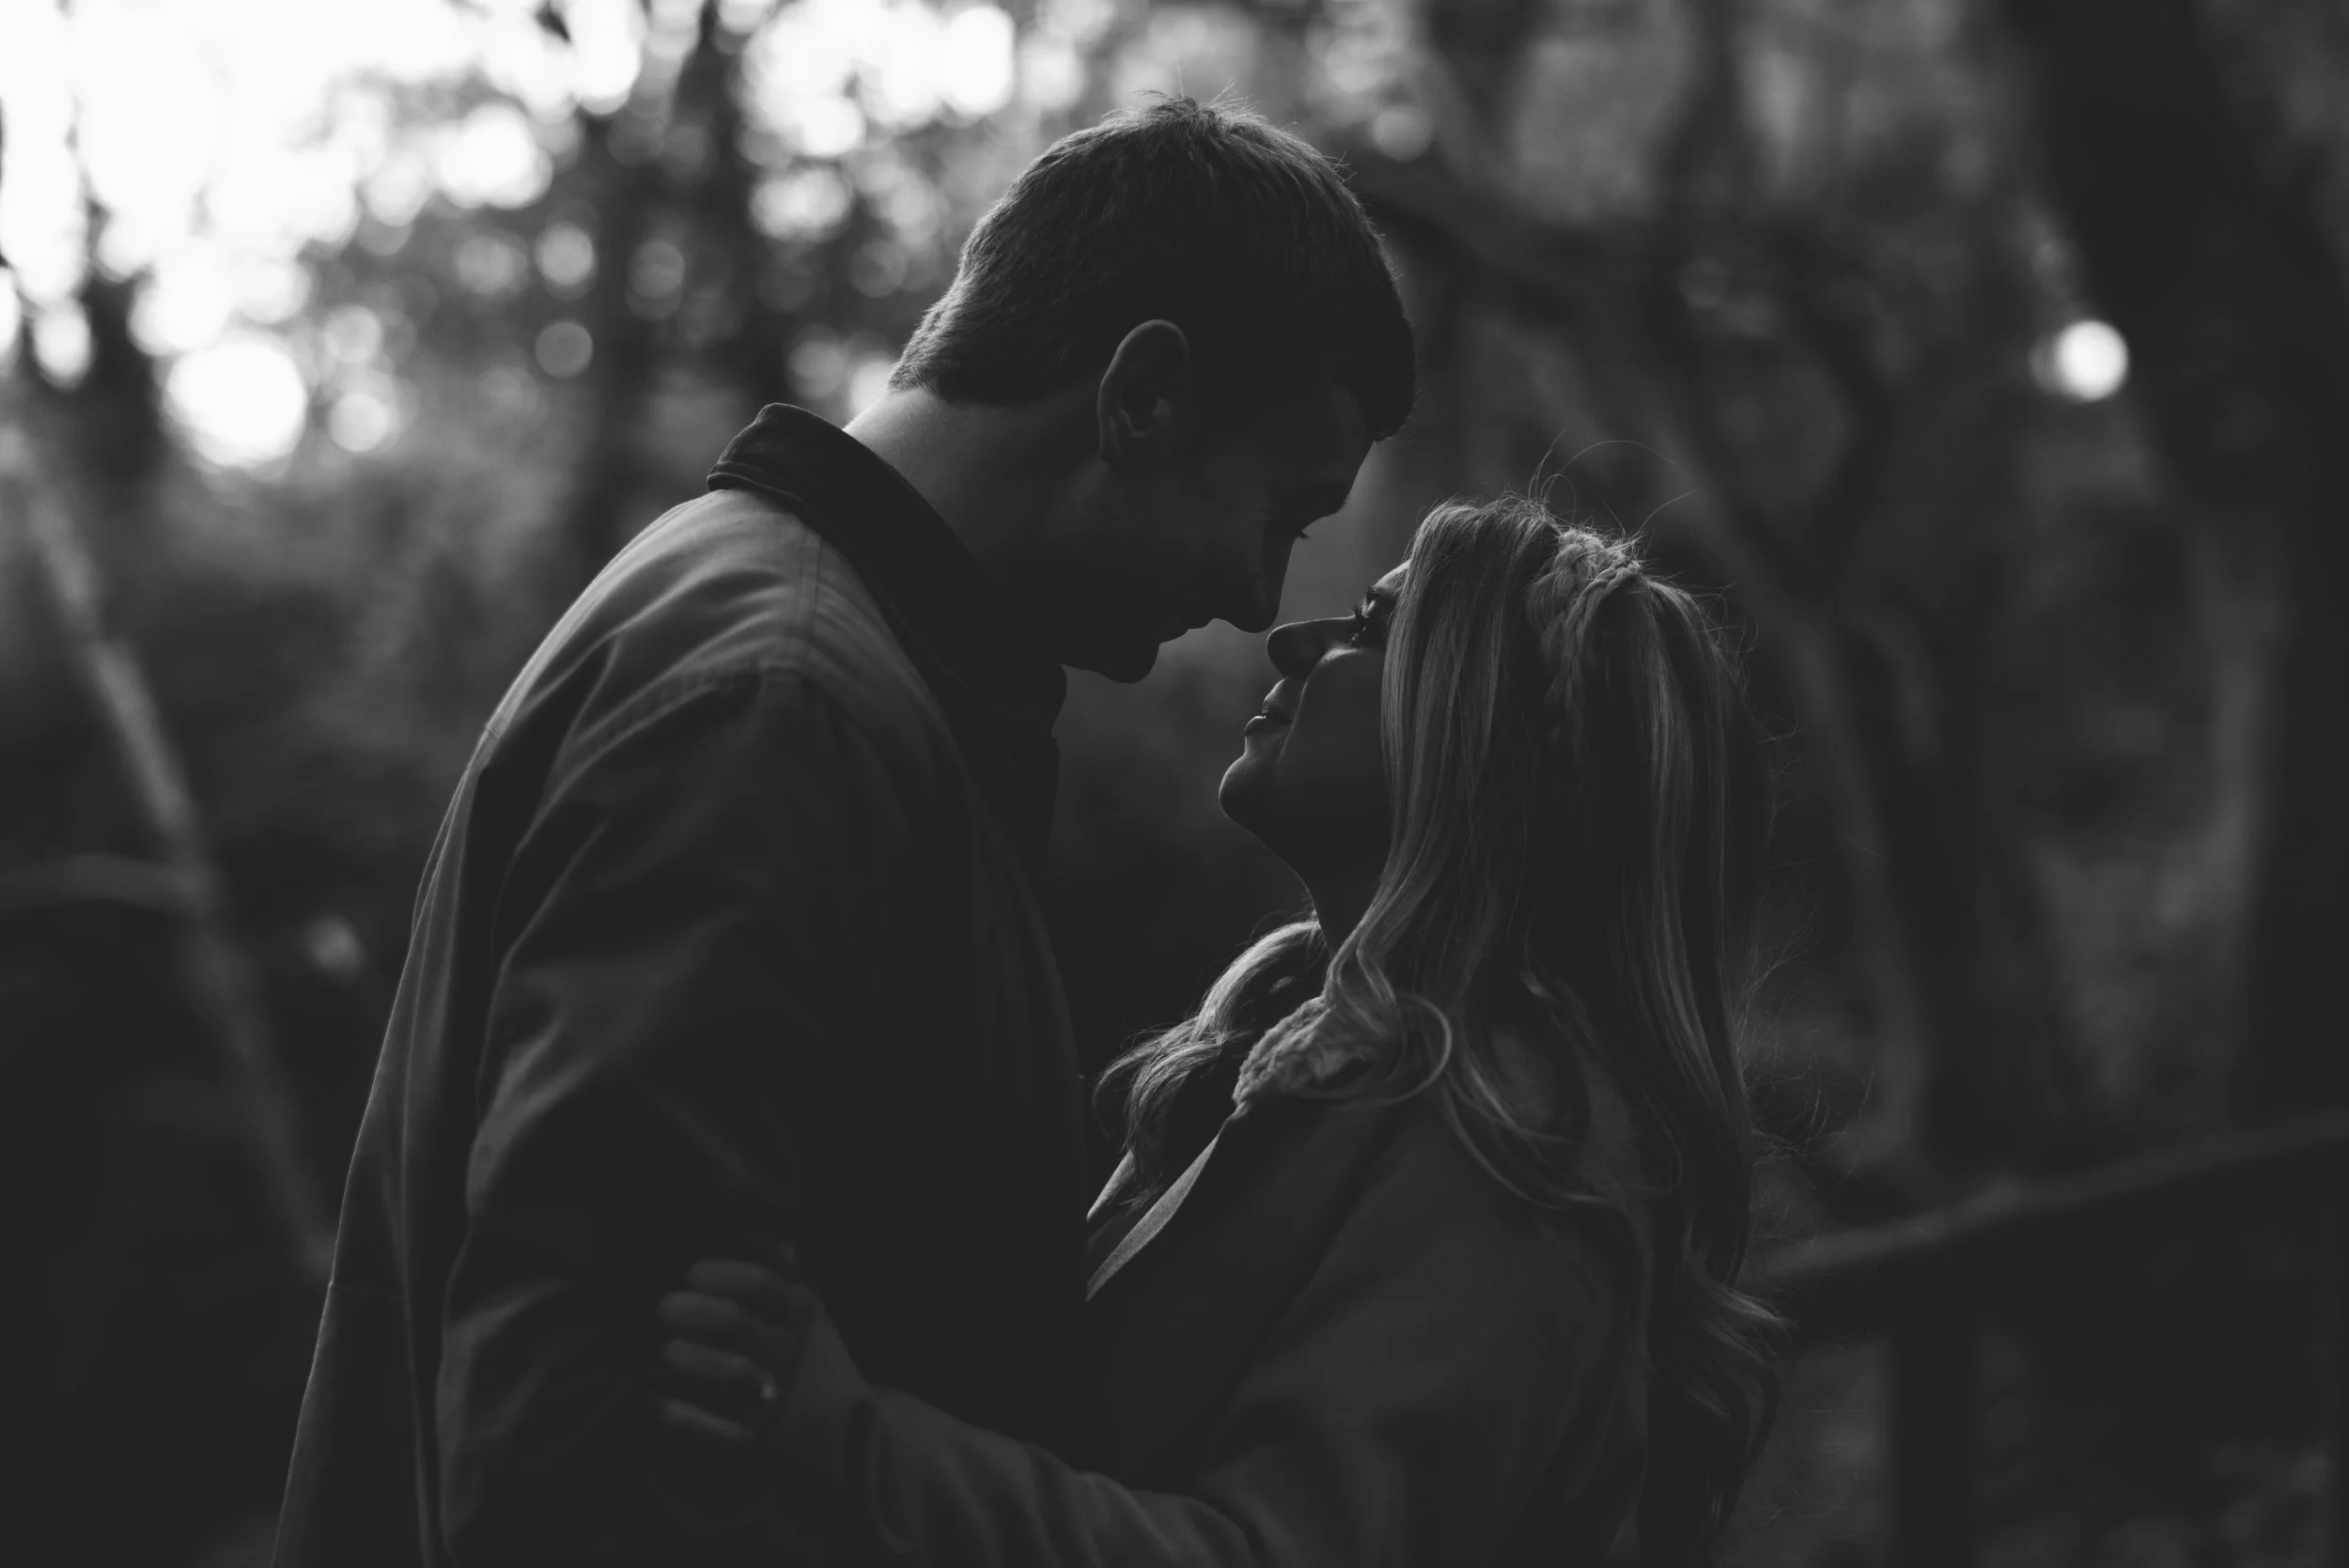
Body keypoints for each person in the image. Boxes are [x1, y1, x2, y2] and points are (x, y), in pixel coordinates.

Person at [272, 98, 1413, 1568]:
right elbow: (580, 1412)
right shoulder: (784, 706)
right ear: (1141, 397)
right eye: (1278, 512)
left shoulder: (801, 650)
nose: (1262, 601)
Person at [653, 498, 1788, 1565]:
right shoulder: (1319, 1069)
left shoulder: (1519, 1148)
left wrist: (843, 1435)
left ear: (1480, 738)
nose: (1289, 637)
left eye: (1369, 627)